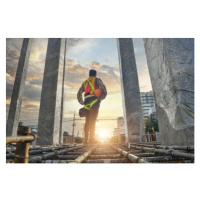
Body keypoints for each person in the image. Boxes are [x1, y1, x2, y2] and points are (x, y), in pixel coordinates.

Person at [77, 69, 107, 143]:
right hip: (94, 101)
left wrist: (82, 102)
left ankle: (86, 140)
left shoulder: (85, 83)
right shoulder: (97, 80)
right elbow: (103, 89)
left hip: (86, 102)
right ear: (95, 74)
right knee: (92, 120)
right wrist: (101, 98)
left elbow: (79, 93)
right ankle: (91, 139)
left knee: (87, 121)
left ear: (89, 75)